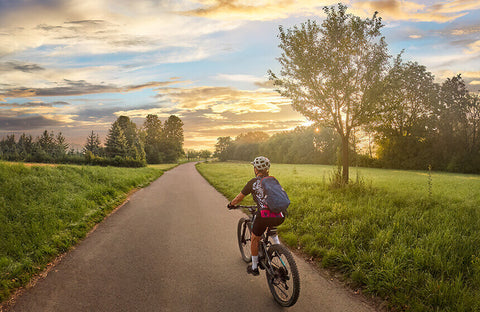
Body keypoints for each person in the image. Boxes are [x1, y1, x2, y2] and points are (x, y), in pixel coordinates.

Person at [227, 156, 285, 276]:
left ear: (255, 169)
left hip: (263, 216)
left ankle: (254, 267)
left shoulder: (253, 183)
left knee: (254, 238)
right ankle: (279, 250)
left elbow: (239, 198)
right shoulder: (274, 180)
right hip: (280, 214)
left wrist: (231, 204)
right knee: (271, 225)